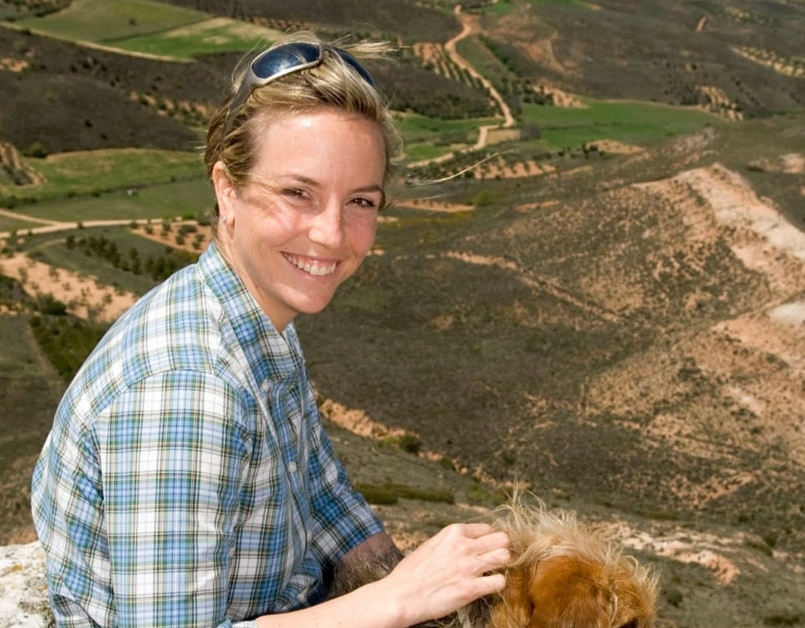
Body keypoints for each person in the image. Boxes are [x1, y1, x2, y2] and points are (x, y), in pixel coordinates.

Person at [30, 33, 510, 628]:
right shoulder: (190, 392)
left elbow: (321, 491)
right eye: (297, 193)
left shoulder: (256, 320)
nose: (332, 234)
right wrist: (395, 600)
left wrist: (423, 590)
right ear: (227, 189)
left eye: (360, 201)